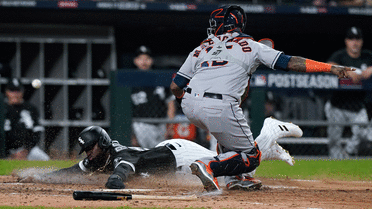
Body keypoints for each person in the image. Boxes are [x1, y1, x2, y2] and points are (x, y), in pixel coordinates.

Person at [170, 5, 355, 192]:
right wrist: (329, 68)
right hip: (219, 105)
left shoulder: (200, 49)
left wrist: (191, 103)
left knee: (227, 140)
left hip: (189, 104)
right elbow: (290, 62)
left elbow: (175, 86)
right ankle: (209, 165)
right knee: (251, 157)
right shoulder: (252, 45)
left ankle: (235, 179)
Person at [27, 117, 302, 190]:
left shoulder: (119, 157)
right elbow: (74, 171)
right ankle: (264, 152)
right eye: (86, 151)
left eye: (90, 148)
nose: (87, 155)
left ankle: (268, 134)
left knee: (238, 169)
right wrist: (41, 177)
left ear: (102, 143)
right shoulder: (100, 156)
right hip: (170, 159)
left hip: (180, 156)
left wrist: (113, 185)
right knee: (233, 177)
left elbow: (121, 173)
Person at [325, 26, 372, 159]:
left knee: (365, 134)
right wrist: (346, 70)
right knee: (334, 141)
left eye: (357, 39)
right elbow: (328, 66)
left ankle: (349, 152)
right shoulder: (340, 56)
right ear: (346, 41)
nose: (355, 42)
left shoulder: (367, 56)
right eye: (351, 39)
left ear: (361, 41)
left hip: (357, 106)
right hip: (337, 105)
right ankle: (334, 168)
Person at [130, 45, 176, 148]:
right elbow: (125, 110)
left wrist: (170, 125)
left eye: (147, 58)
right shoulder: (130, 82)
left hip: (160, 124)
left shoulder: (160, 79)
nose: (144, 62)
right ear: (135, 61)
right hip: (140, 124)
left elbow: (170, 103)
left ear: (151, 60)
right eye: (140, 58)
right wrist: (132, 134)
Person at [3, 78, 49, 161]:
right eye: (12, 91)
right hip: (5, 151)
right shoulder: (2, 109)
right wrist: (8, 152)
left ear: (22, 92)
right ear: (6, 92)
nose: (15, 94)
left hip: (27, 150)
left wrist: (26, 149)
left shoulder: (30, 108)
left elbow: (37, 131)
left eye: (18, 91)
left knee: (45, 160)